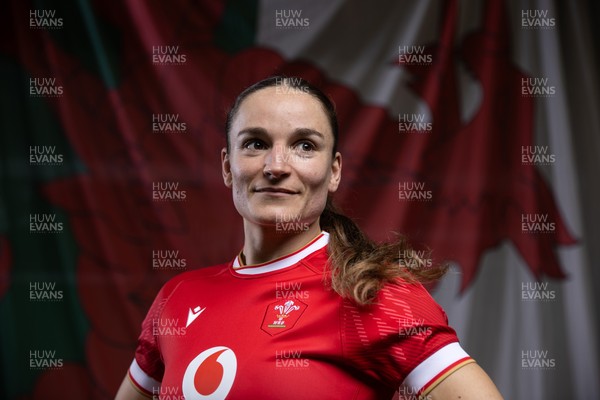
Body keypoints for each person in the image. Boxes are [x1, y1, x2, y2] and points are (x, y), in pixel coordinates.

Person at [115, 76, 503, 399]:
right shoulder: (177, 298)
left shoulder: (371, 293)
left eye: (304, 146)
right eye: (255, 143)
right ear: (227, 167)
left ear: (333, 171)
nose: (276, 166)